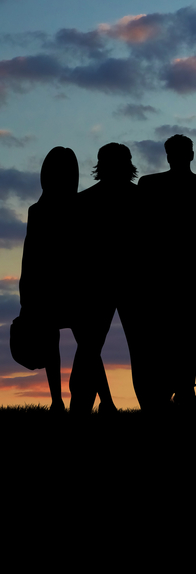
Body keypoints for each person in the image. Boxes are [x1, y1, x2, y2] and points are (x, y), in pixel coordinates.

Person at [17, 147, 116, 412]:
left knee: (64, 346)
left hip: (49, 287)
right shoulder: (80, 207)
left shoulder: (38, 210)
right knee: (88, 348)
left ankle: (58, 402)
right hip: (76, 287)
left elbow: (31, 256)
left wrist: (26, 295)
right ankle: (105, 401)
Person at [136, 134, 196, 408]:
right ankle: (175, 389)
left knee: (180, 334)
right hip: (168, 274)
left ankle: (181, 388)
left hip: (181, 274)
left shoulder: (151, 185)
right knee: (173, 335)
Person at [71, 143, 142, 414]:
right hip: (130, 284)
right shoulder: (142, 199)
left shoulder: (83, 201)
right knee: (140, 352)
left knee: (88, 351)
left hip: (96, 285)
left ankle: (79, 409)